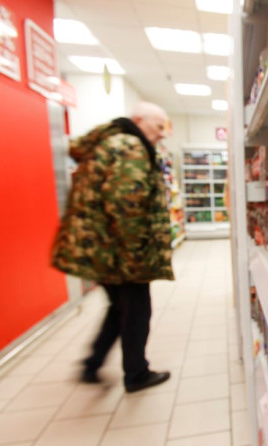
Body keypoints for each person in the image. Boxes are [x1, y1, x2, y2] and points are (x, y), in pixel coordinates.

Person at [52, 101, 174, 393]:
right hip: (119, 251)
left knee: (119, 308)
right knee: (136, 313)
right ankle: (136, 374)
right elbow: (125, 203)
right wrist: (136, 256)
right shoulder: (130, 147)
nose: (162, 134)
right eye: (158, 127)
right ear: (138, 121)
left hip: (100, 247)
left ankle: (92, 364)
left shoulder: (109, 142)